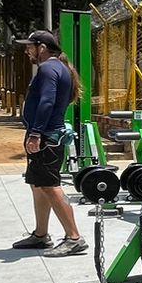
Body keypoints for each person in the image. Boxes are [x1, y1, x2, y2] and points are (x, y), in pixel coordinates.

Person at [12, 30, 87, 257]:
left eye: (29, 47)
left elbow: (47, 101)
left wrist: (35, 134)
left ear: (41, 48)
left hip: (45, 138)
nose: (26, 51)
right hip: (46, 136)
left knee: (50, 185)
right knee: (38, 185)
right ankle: (41, 234)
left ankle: (74, 237)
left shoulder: (48, 68)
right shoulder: (57, 68)